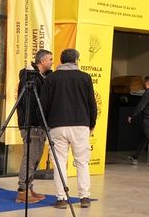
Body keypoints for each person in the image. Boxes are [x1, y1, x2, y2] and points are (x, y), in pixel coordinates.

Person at [40, 48, 97, 208]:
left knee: (59, 163)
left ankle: (62, 199)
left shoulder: (51, 78)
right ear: (76, 60)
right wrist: (91, 123)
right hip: (80, 124)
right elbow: (91, 103)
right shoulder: (85, 77)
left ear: (61, 60)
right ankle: (84, 197)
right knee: (82, 162)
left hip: (57, 125)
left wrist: (45, 124)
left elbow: (44, 104)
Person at [15, 49, 52, 203]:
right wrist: (36, 120)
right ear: (42, 61)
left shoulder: (44, 77)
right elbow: (28, 102)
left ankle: (28, 187)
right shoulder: (30, 77)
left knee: (36, 156)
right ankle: (22, 190)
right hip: (31, 124)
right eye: (50, 59)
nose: (52, 62)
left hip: (39, 124)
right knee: (30, 156)